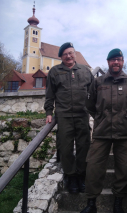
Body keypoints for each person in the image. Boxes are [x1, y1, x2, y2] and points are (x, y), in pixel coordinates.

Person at [74, 48, 127, 213]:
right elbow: (90, 104)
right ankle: (91, 205)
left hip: (125, 133)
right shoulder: (98, 82)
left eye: (119, 60)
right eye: (113, 60)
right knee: (94, 167)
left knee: (122, 169)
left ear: (122, 61)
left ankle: (118, 204)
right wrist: (101, 118)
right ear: (108, 62)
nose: (116, 63)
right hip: (102, 132)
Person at [44, 42, 93, 194]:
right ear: (61, 56)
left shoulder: (85, 71)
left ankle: (81, 175)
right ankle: (71, 176)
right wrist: (48, 112)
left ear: (75, 54)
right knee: (65, 147)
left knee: (83, 146)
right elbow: (49, 94)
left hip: (82, 114)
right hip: (64, 115)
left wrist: (95, 110)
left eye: (71, 53)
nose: (69, 56)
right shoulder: (55, 72)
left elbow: (94, 93)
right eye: (65, 54)